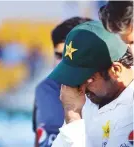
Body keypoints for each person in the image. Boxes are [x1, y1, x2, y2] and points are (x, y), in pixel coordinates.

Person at [50, 21, 133, 147]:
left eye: (86, 78)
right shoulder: (91, 97)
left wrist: (73, 118)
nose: (80, 87)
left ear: (116, 70)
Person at [32, 17, 92, 147]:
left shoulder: (109, 96)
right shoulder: (43, 89)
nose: (64, 64)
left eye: (70, 56)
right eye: (59, 56)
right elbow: (40, 138)